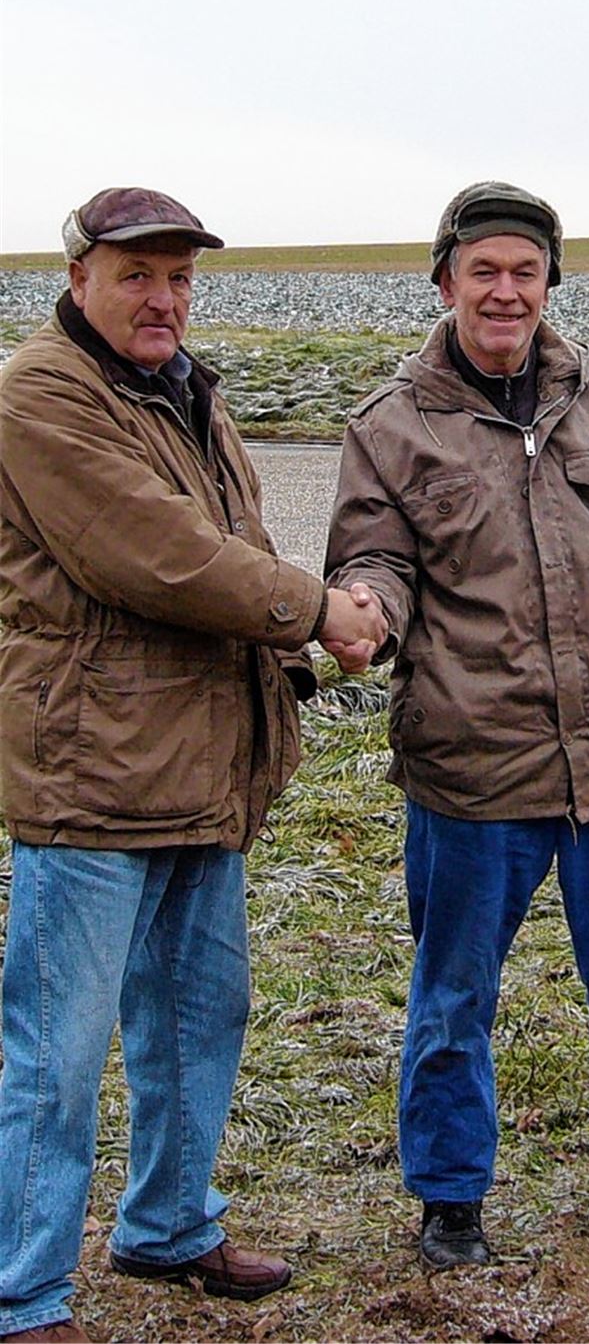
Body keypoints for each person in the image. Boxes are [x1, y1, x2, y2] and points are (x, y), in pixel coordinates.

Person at [324, 180, 589, 1269]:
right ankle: (450, 1197)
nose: (505, 291)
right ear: (445, 282)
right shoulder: (389, 427)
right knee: (455, 994)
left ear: (550, 283)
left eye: (525, 271)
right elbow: (374, 559)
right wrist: (367, 609)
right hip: (473, 765)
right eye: (484, 271)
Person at [0, 187, 385, 1343]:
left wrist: (299, 635)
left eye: (179, 278)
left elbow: (232, 541)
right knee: (58, 1049)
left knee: (197, 1016)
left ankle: (169, 1226)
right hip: (92, 774)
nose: (163, 298)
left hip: (197, 766)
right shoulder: (38, 397)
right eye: (137, 276)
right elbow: (158, 556)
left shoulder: (179, 390)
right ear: (78, 280)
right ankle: (23, 1293)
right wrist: (317, 611)